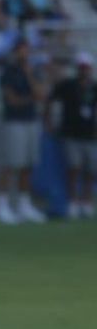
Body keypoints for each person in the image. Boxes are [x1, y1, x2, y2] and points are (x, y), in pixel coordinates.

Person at [0, 38, 46, 224]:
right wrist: (31, 98)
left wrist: (29, 77)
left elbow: (41, 94)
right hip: (14, 122)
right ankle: (2, 205)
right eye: (21, 50)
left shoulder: (33, 71)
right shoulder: (8, 72)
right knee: (11, 164)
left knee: (28, 165)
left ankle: (24, 205)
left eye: (27, 50)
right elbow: (12, 100)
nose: (24, 54)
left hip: (31, 121)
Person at [49, 53, 97, 219]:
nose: (84, 70)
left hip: (90, 134)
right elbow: (51, 99)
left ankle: (87, 202)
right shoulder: (68, 85)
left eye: (87, 67)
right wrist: (48, 121)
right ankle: (73, 202)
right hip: (71, 133)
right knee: (74, 168)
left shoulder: (94, 86)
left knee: (91, 170)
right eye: (82, 67)